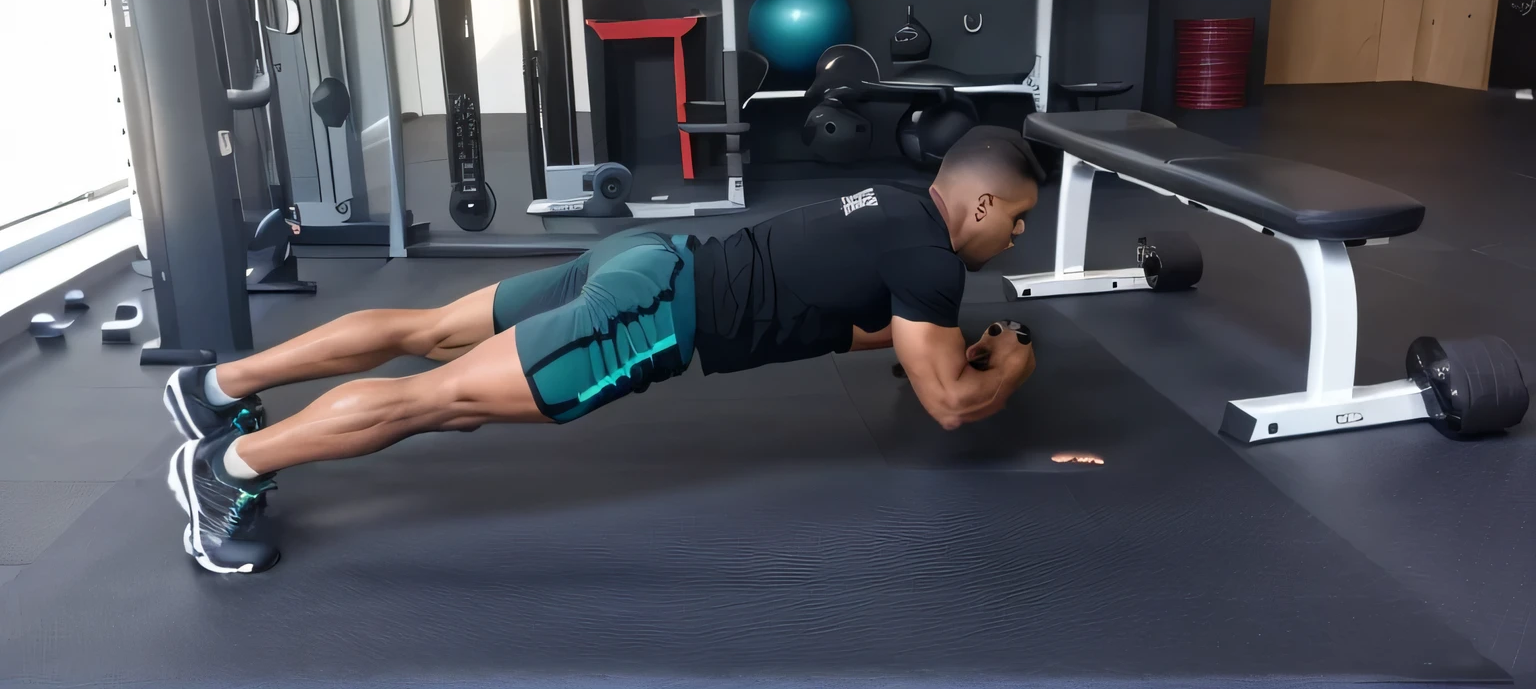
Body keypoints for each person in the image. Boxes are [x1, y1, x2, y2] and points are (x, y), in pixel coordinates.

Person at [164, 125, 1043, 574]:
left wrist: (935, 342)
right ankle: (227, 469)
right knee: (432, 401)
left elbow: (854, 316)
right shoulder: (932, 263)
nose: (1016, 237)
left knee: (423, 329)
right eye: (1018, 219)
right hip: (652, 317)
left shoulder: (894, 206)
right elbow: (950, 404)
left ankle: (214, 384)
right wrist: (1013, 364)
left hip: (648, 261)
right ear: (977, 208)